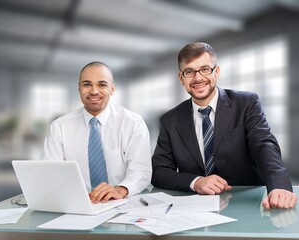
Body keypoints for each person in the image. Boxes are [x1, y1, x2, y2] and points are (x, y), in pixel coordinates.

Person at [151, 42, 297, 209]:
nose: (198, 78)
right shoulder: (170, 120)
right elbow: (159, 171)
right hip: (195, 209)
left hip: (246, 204)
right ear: (181, 78)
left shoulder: (246, 103)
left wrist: (279, 186)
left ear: (217, 71)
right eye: (189, 71)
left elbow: (264, 145)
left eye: (205, 69)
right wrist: (196, 182)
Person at [41, 61, 152, 203]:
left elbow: (142, 170)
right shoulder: (59, 127)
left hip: (121, 202)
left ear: (112, 89)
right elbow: (49, 172)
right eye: (87, 84)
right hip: (75, 203)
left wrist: (120, 190)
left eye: (102, 84)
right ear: (79, 88)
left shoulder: (133, 123)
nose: (94, 91)